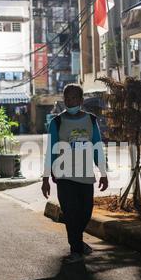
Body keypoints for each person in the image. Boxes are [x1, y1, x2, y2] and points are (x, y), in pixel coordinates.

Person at [42, 84, 108, 264]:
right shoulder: (56, 122)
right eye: (67, 98)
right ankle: (76, 250)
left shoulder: (91, 120)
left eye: (73, 98)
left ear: (81, 100)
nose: (70, 101)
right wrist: (45, 178)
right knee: (71, 214)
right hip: (64, 175)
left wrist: (103, 172)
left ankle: (78, 243)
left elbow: (97, 148)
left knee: (85, 212)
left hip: (86, 175)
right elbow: (50, 152)